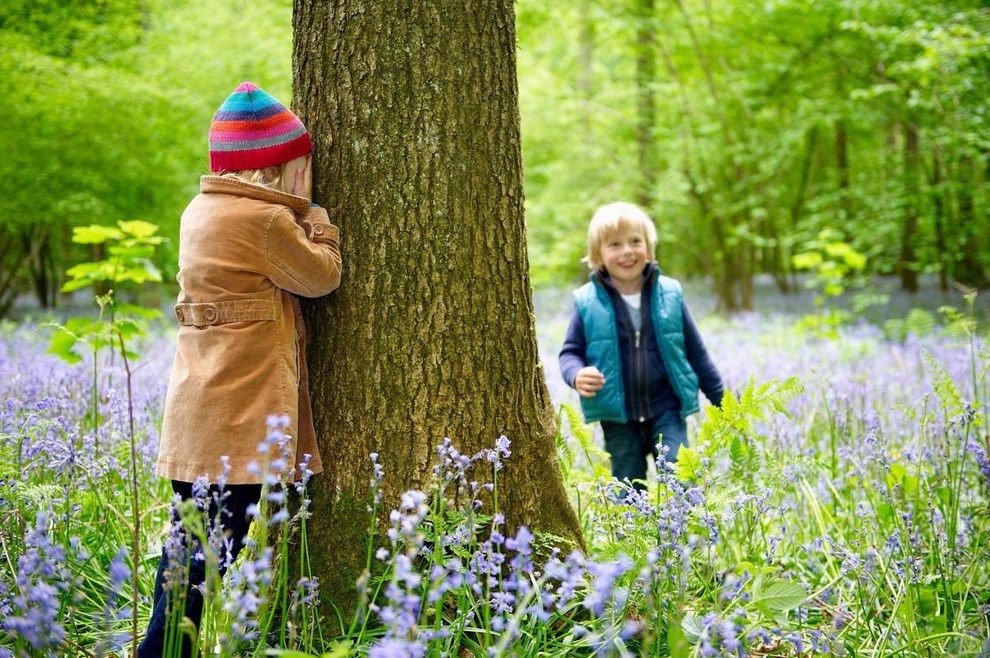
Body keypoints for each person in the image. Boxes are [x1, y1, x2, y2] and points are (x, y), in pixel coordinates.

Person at [139, 81, 342, 657]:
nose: (306, 175)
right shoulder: (264, 222)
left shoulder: (198, 211)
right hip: (237, 423)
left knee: (187, 554)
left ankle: (163, 648)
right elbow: (320, 276)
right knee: (207, 559)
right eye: (300, 166)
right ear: (273, 169)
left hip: (199, 415)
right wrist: (315, 214)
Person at [559, 201, 723, 491]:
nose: (627, 251)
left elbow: (697, 354)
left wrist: (724, 402)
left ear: (649, 248)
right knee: (627, 489)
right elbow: (570, 352)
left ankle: (682, 532)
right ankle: (635, 536)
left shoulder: (670, 295)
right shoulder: (587, 302)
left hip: (666, 409)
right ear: (598, 256)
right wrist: (576, 374)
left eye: (636, 241)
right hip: (618, 417)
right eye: (615, 244)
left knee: (682, 477)